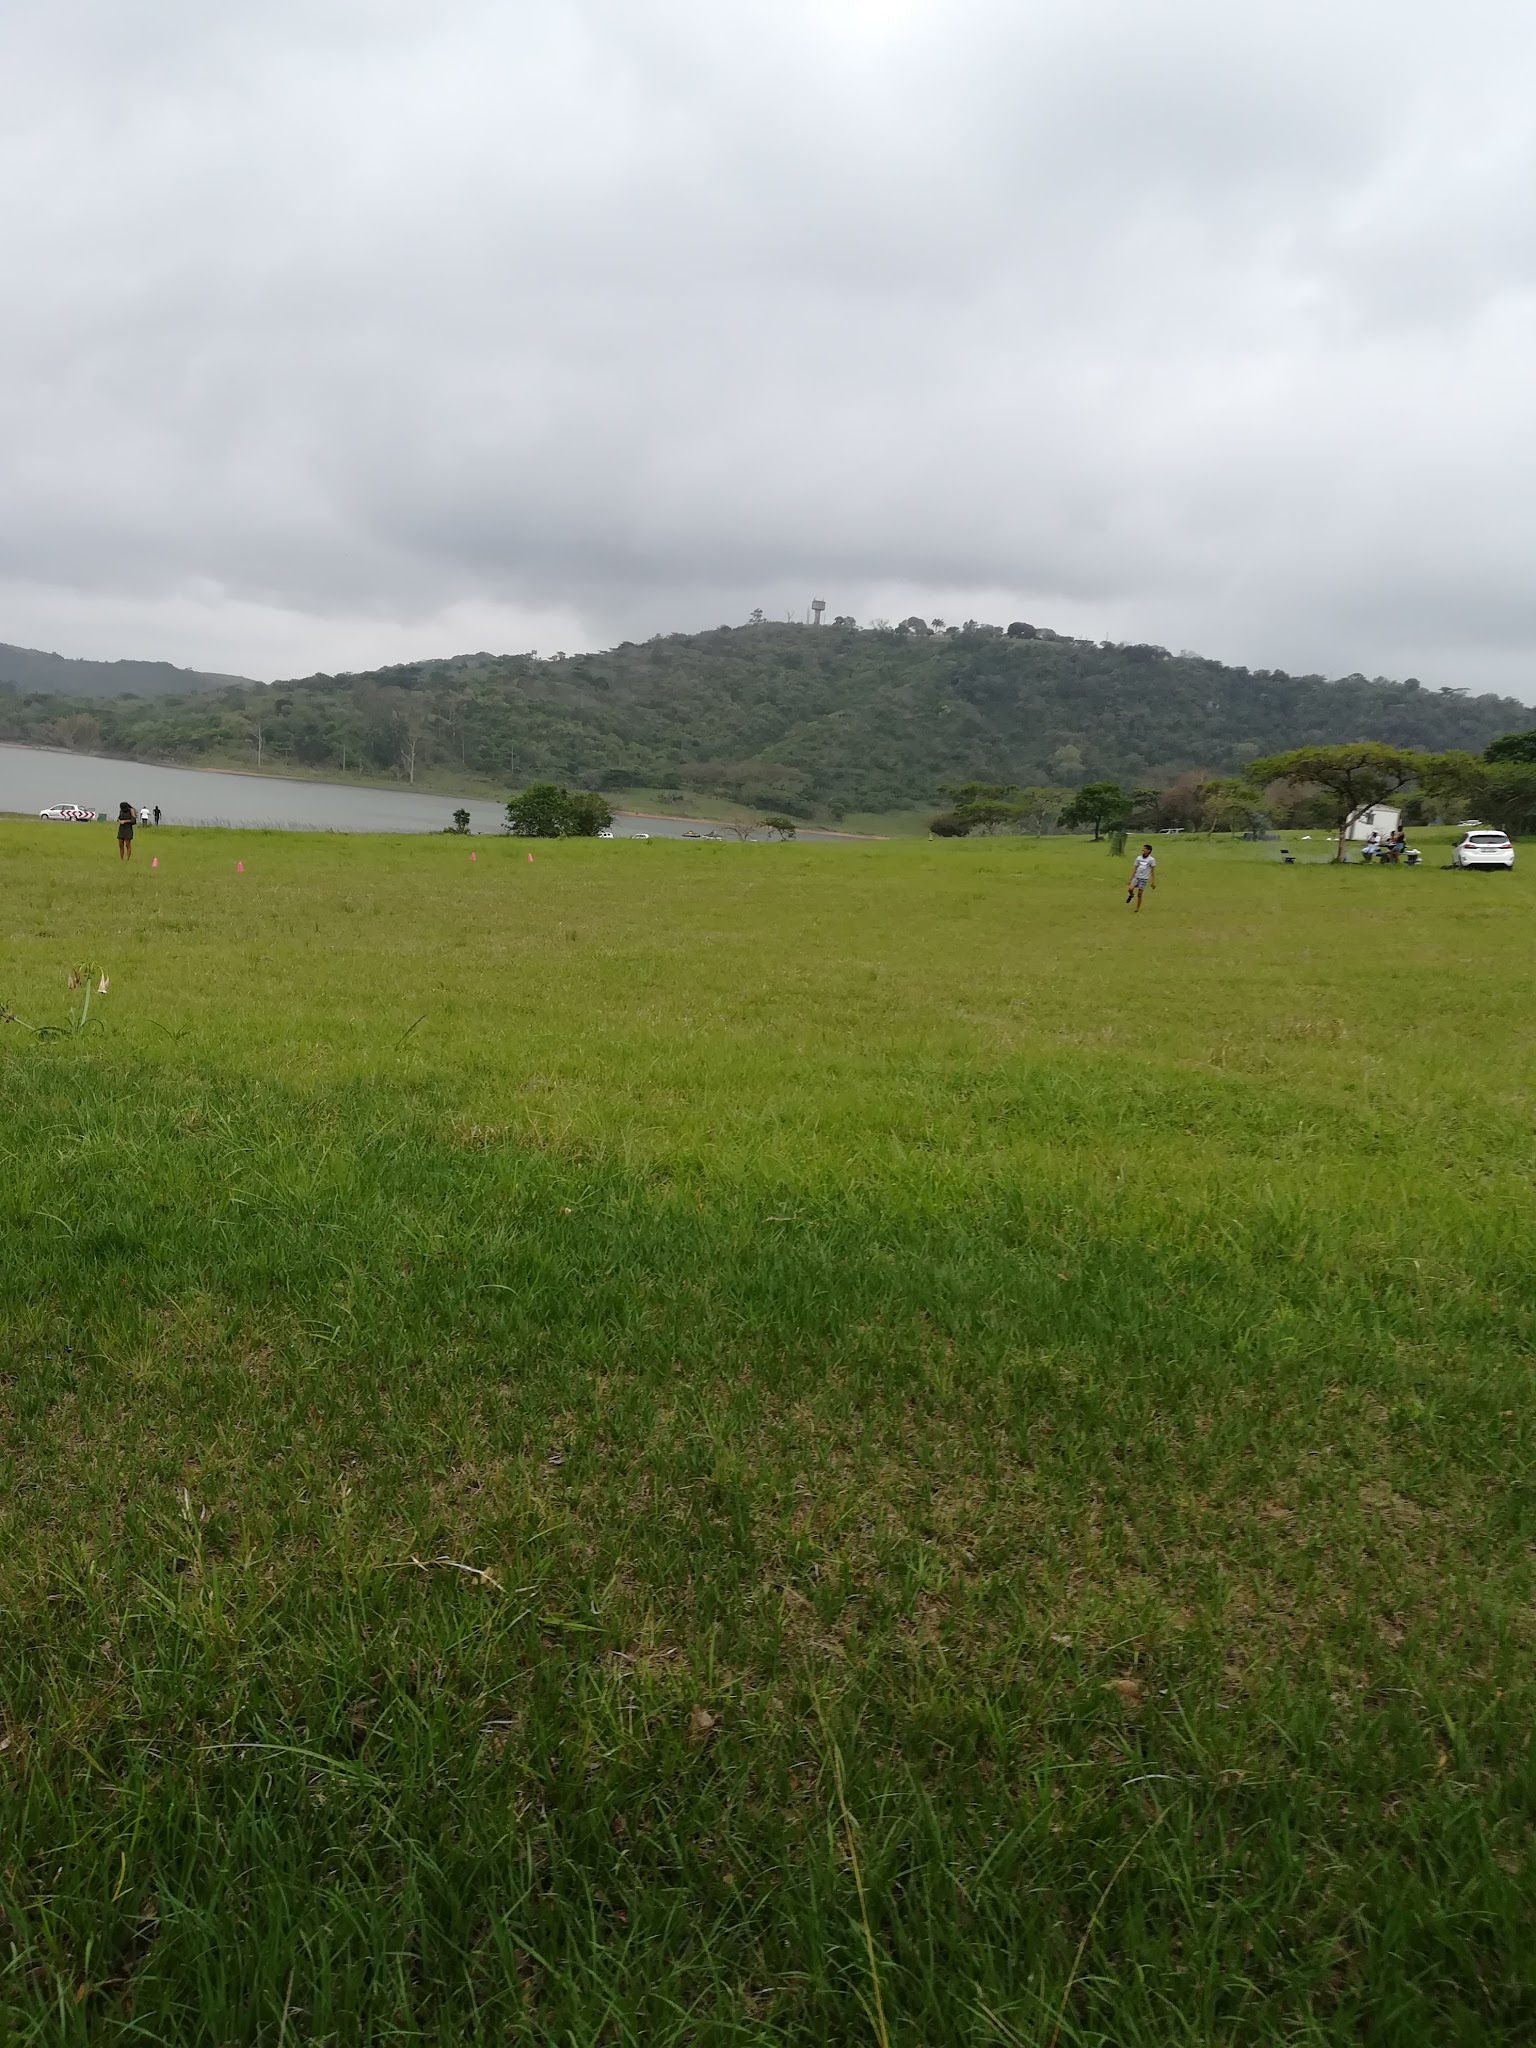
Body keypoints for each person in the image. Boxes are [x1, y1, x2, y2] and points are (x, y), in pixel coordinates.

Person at [1126, 842, 1157, 911]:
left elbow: (1153, 871)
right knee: (1130, 889)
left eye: (1144, 849)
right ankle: (1131, 895)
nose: (1143, 850)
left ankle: (1137, 909)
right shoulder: (1138, 858)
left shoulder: (1151, 860)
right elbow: (1135, 868)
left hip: (1144, 879)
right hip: (1136, 877)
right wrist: (1130, 879)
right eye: (1143, 849)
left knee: (1140, 894)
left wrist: (1153, 882)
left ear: (1148, 851)